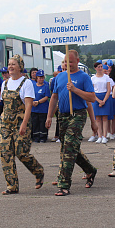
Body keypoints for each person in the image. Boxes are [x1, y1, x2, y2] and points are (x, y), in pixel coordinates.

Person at [46, 50, 97, 196]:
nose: (68, 64)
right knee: (69, 147)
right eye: (65, 62)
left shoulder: (84, 77)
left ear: (77, 61)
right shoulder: (60, 77)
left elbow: (92, 98)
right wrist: (49, 117)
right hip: (63, 116)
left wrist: (75, 90)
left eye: (71, 61)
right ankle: (90, 170)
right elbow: (54, 98)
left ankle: (64, 184)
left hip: (78, 115)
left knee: (68, 147)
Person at [0, 55, 44, 195]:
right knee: (5, 154)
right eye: (9, 64)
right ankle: (11, 186)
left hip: (20, 123)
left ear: (20, 67)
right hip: (5, 124)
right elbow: (4, 105)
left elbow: (29, 105)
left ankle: (38, 171)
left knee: (21, 153)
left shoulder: (26, 83)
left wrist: (24, 124)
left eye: (13, 64)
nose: (10, 66)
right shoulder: (4, 83)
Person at [90, 61, 112, 143]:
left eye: (101, 66)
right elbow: (91, 91)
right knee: (98, 118)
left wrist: (104, 101)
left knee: (105, 118)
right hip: (96, 97)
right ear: (95, 68)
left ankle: (105, 136)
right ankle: (99, 136)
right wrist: (98, 100)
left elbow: (109, 89)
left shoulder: (106, 77)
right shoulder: (92, 78)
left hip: (105, 97)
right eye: (98, 67)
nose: (100, 68)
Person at [31, 69, 50, 143]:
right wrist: (32, 102)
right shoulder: (33, 86)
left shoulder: (45, 86)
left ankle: (43, 137)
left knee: (42, 123)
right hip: (34, 108)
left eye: (42, 77)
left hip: (43, 108)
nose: (41, 79)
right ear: (37, 78)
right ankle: (36, 137)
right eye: (39, 77)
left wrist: (38, 102)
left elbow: (46, 97)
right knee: (35, 123)